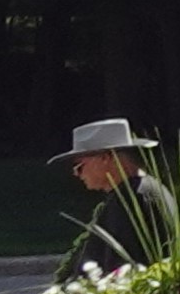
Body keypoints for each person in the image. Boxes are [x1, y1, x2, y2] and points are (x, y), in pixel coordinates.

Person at [54, 118, 160, 278]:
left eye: (79, 166)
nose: (76, 174)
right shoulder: (141, 190)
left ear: (106, 157)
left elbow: (122, 270)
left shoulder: (131, 199)